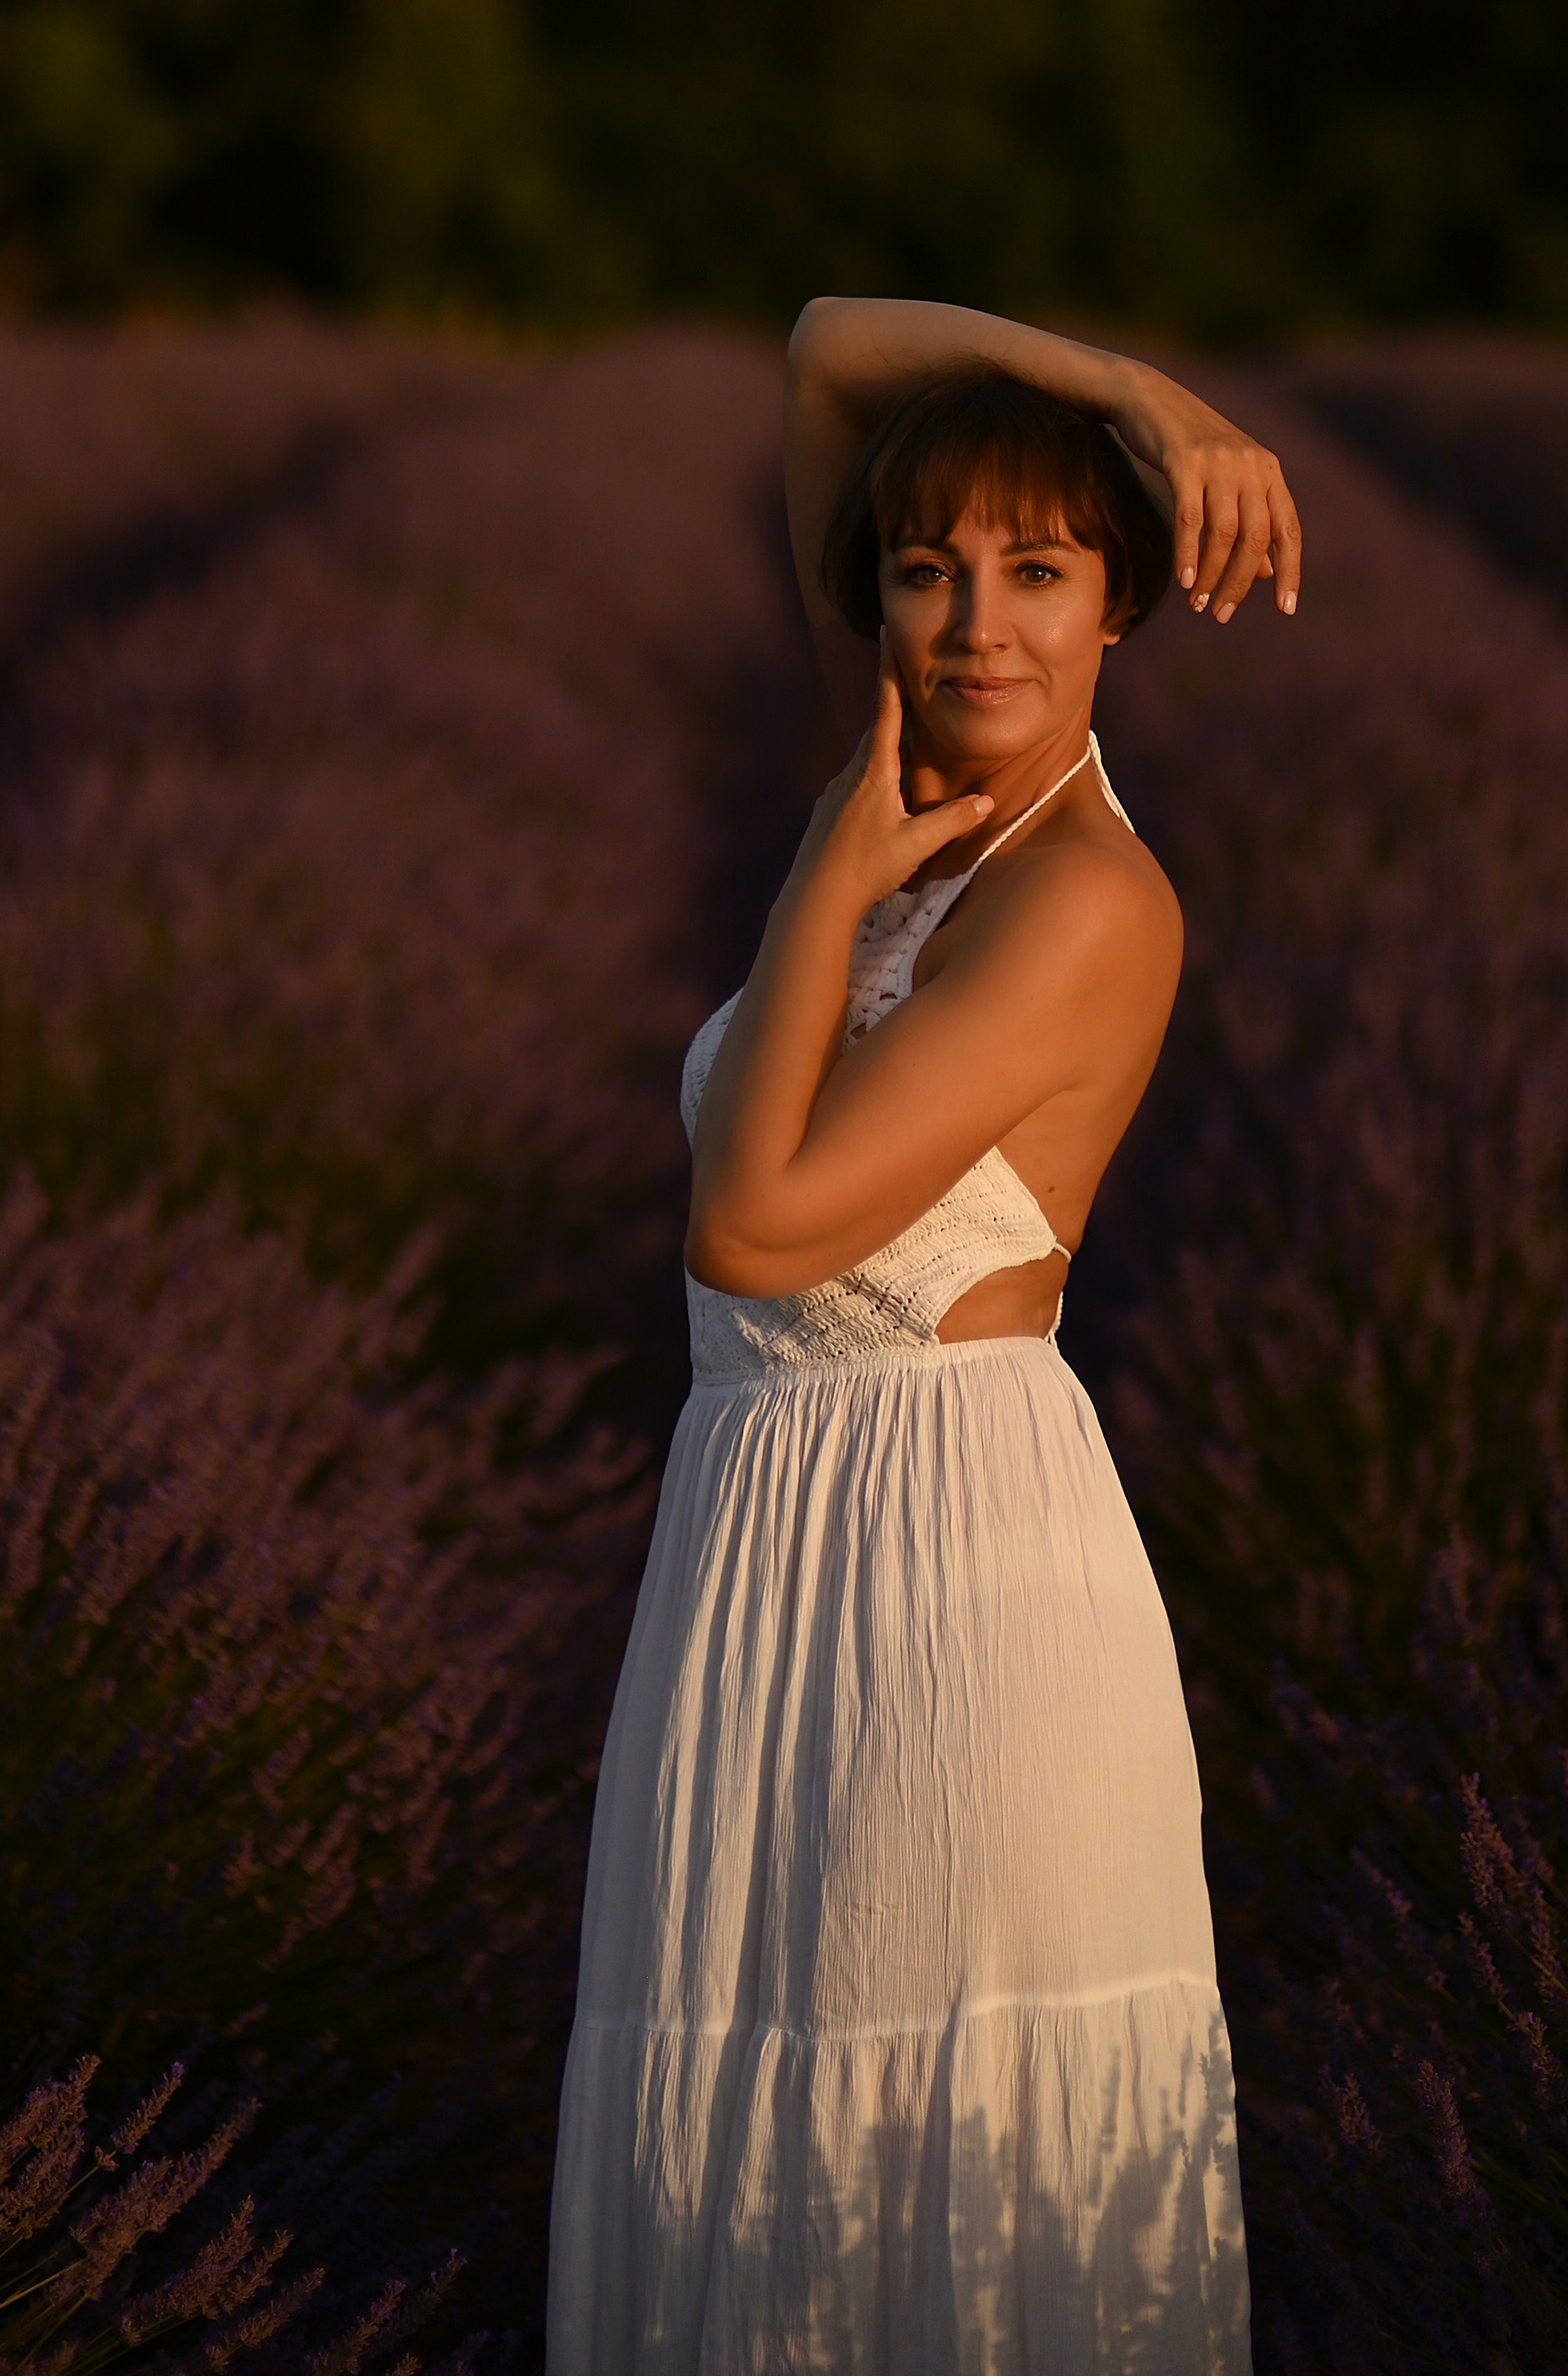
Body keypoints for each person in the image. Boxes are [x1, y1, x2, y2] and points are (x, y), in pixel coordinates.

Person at [548, 297, 1302, 2372]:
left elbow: (753, 1227)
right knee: (751, 2177)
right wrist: (1136, 396)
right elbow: (825, 352)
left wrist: (816, 877)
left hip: (951, 1602)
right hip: (758, 1571)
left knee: (929, 2210)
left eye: (1042, 572)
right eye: (923, 567)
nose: (973, 626)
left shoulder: (1085, 904)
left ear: (1119, 612)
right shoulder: (909, 764)